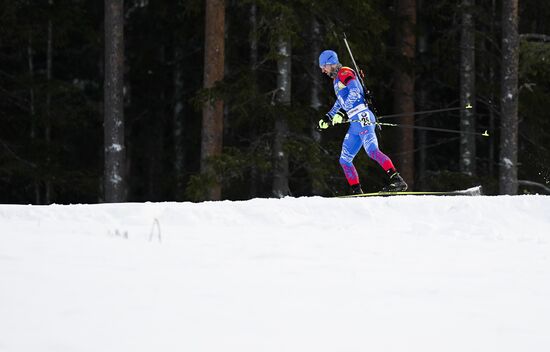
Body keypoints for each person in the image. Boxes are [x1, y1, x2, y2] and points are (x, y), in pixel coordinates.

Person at [318, 49, 407, 194]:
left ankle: (397, 180)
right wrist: (328, 117)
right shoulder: (335, 81)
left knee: (372, 150)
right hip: (354, 123)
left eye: (324, 66)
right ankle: (357, 192)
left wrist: (341, 113)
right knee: (344, 160)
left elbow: (355, 92)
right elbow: (340, 102)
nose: (323, 70)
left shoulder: (344, 72)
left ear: (331, 63)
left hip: (363, 115)